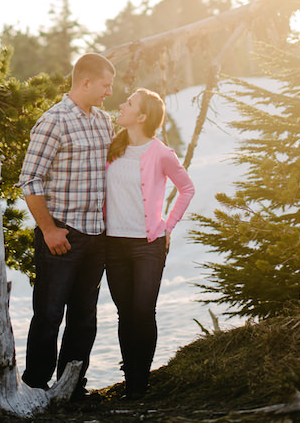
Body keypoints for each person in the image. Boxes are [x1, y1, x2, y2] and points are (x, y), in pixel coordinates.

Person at [18, 52, 116, 397]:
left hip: (96, 236)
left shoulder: (104, 121)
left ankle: (71, 386)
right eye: (105, 86)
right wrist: (48, 229)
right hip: (62, 234)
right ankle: (35, 386)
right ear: (86, 82)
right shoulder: (53, 122)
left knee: (84, 318)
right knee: (48, 314)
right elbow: (30, 181)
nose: (108, 92)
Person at [103, 88, 195, 399]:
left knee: (143, 311)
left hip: (147, 244)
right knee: (125, 314)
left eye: (129, 104)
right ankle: (131, 382)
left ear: (142, 117)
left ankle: (140, 384)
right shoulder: (111, 147)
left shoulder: (161, 153)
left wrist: (168, 225)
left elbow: (187, 189)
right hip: (113, 244)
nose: (122, 106)